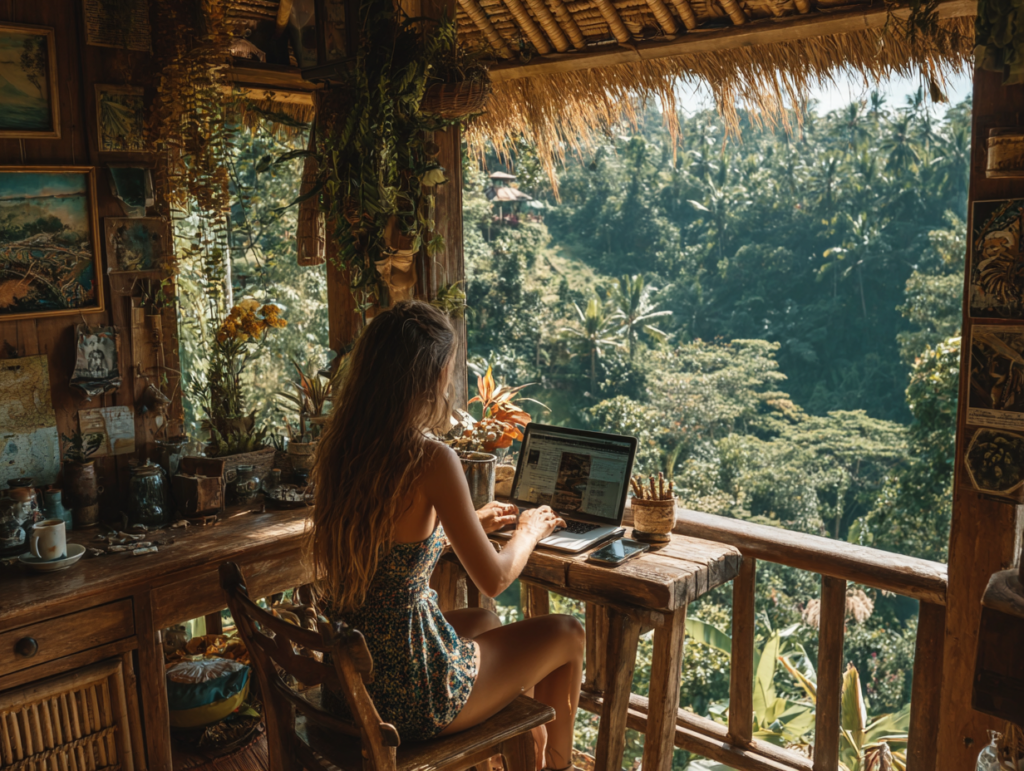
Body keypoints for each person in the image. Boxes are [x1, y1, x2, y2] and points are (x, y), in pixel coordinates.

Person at [309, 300, 584, 770]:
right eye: (448, 372)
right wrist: (528, 530)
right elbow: (495, 580)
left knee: (484, 626)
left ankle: (529, 749)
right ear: (428, 377)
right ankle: (554, 765)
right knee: (568, 633)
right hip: (408, 697)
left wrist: (470, 523)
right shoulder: (430, 458)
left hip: (352, 679)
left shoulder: (341, 449)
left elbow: (391, 548)